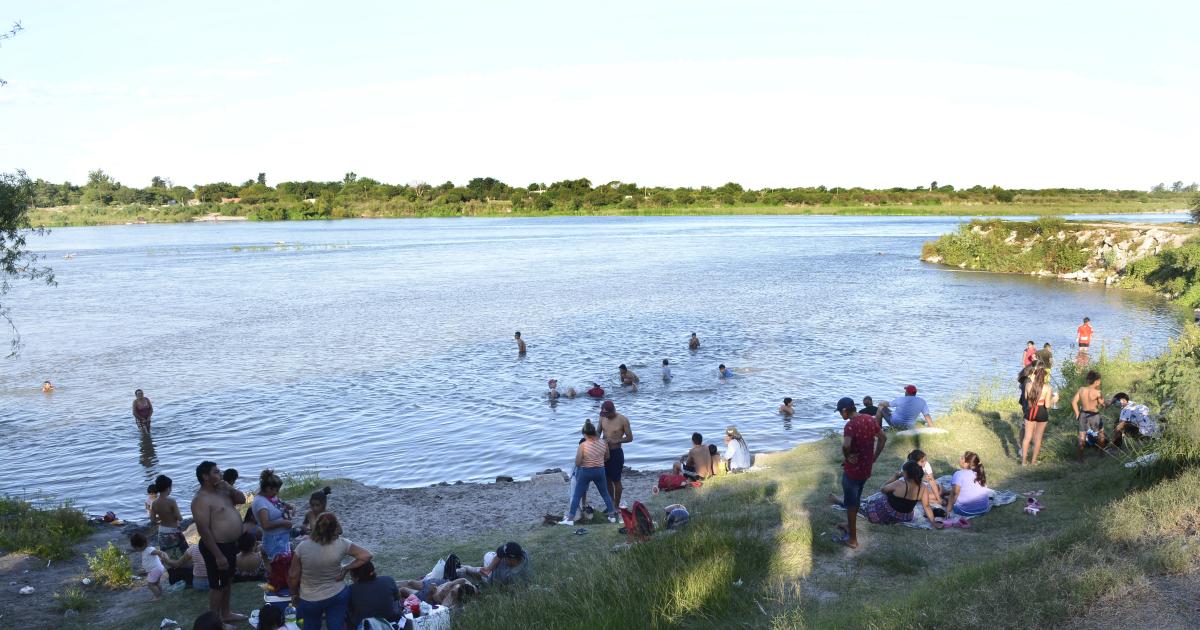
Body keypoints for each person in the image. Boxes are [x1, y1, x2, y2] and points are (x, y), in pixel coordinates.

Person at [289, 513, 373, 630]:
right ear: (334, 528)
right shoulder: (342, 544)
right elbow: (367, 555)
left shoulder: (302, 547)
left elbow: (293, 576)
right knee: (336, 626)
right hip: (337, 595)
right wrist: (346, 568)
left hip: (309, 598)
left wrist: (295, 594)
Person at [191, 460, 247, 625]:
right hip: (216, 547)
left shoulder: (223, 490)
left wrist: (229, 488)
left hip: (229, 545)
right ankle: (215, 623)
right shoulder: (200, 500)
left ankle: (226, 613)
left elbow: (242, 499)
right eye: (216, 472)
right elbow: (203, 530)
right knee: (218, 586)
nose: (220, 474)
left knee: (227, 581)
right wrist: (218, 555)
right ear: (205, 476)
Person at [833, 397, 886, 549]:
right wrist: (874, 457)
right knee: (856, 499)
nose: (840, 414)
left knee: (851, 503)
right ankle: (850, 525)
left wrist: (847, 456)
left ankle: (852, 540)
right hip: (865, 469)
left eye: (840, 412)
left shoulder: (850, 426)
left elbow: (846, 445)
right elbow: (883, 438)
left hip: (853, 471)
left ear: (845, 410)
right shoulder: (869, 419)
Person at [561, 420, 617, 524]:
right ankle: (612, 516)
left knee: (577, 495)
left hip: (586, 472)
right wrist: (598, 461)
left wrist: (586, 462)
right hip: (600, 471)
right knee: (605, 494)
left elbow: (577, 463)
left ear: (585, 434)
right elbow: (607, 457)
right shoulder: (603, 442)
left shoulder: (583, 445)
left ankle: (570, 519)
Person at [862, 461, 943, 528]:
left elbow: (882, 489)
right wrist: (933, 522)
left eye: (903, 471)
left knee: (879, 498)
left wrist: (895, 477)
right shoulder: (923, 487)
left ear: (906, 473)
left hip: (887, 513)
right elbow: (927, 506)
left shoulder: (899, 483)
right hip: (905, 517)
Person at [598, 400, 633, 508]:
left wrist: (615, 440)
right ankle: (611, 504)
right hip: (604, 452)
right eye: (603, 414)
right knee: (607, 480)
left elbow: (630, 438)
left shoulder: (622, 419)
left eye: (606, 414)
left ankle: (616, 505)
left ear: (612, 411)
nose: (605, 416)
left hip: (616, 453)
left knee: (616, 480)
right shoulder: (602, 417)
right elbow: (598, 432)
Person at [253, 469, 294, 559]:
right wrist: (284, 523)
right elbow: (265, 525)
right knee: (279, 564)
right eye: (276, 490)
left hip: (282, 538)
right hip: (274, 540)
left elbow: (278, 503)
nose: (277, 493)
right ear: (268, 488)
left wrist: (288, 506)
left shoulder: (270, 496)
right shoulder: (260, 502)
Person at [348, 561, 403, 628]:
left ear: (356, 576)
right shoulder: (388, 580)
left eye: (351, 576)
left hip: (366, 627)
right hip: (392, 623)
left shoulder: (350, 590)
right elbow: (398, 598)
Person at [1021, 366, 1055, 466]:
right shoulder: (1047, 388)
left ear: (1035, 375)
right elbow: (1047, 405)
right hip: (1041, 412)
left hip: (1030, 411)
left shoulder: (1028, 385)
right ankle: (1033, 461)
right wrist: (1054, 400)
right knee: (1038, 438)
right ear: (1044, 376)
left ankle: (1024, 461)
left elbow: (1026, 398)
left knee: (1027, 437)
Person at [1071, 370, 1108, 460]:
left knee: (1082, 436)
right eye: (1099, 380)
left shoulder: (1081, 389)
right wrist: (1107, 403)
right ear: (1096, 381)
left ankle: (1080, 458)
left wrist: (1077, 414)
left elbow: (1073, 402)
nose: (1100, 382)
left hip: (1083, 414)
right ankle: (1101, 454)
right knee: (1101, 434)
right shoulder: (1098, 392)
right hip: (1094, 415)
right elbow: (1103, 404)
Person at [461, 542, 531, 586]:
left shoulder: (507, 574)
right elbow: (499, 555)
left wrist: (487, 571)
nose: (503, 558)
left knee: (481, 574)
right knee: (488, 558)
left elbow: (493, 582)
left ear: (511, 559)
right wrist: (489, 568)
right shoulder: (524, 554)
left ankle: (465, 569)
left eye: (505, 557)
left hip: (491, 577)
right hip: (492, 565)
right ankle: (465, 568)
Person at [151, 475, 187, 560]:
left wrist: (162, 517)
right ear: (168, 488)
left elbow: (153, 520)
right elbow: (180, 518)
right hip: (173, 531)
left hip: (162, 531)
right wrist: (171, 515)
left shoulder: (154, 503)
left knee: (168, 556)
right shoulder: (171, 501)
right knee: (183, 554)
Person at [945, 451, 990, 517]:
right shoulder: (979, 473)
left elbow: (954, 494)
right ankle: (944, 492)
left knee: (951, 495)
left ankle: (943, 493)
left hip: (965, 511)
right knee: (960, 490)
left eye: (962, 458)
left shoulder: (958, 474)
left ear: (967, 464)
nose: (960, 458)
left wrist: (948, 510)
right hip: (984, 509)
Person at [130, 532, 168, 598]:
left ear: (139, 546)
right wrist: (145, 570)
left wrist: (162, 556)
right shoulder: (145, 551)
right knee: (156, 583)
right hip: (157, 569)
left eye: (136, 548)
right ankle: (161, 593)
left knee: (150, 585)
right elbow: (149, 561)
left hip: (155, 570)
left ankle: (158, 596)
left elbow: (158, 552)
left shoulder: (148, 550)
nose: (136, 549)